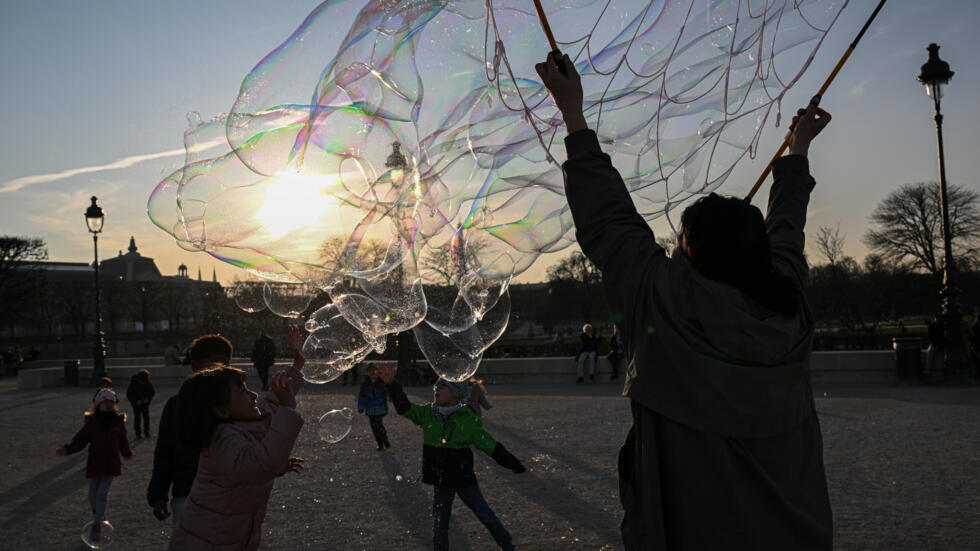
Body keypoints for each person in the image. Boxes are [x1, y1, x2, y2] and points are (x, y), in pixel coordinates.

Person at [537, 54, 834, 549]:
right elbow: (785, 234)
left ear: (689, 257)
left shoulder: (666, 305)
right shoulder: (789, 307)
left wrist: (572, 112)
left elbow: (609, 220)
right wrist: (797, 149)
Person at [169, 327, 305, 551]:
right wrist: (288, 407)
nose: (252, 395)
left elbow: (270, 404)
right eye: (242, 391)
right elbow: (262, 464)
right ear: (221, 410)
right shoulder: (222, 440)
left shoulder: (237, 423)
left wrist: (297, 364)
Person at [378, 365, 525, 551]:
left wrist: (514, 464)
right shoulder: (427, 414)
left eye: (443, 386)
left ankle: (508, 546)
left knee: (485, 515)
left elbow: (491, 446)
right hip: (442, 479)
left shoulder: (467, 419)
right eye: (436, 386)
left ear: (456, 393)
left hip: (464, 479)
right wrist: (392, 385)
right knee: (440, 522)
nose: (436, 389)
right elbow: (404, 407)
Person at [147, 334, 233, 535]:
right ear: (195, 366)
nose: (221, 372)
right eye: (214, 366)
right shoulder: (178, 406)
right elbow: (165, 452)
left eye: (226, 365)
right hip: (192, 493)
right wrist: (158, 494)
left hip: (213, 492)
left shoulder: (235, 404)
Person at [55, 389, 134, 544]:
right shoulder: (92, 423)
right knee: (92, 495)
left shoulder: (118, 422)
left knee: (102, 494)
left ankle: (97, 524)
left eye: (111, 402)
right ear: (98, 405)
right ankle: (98, 516)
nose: (109, 405)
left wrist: (126, 453)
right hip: (95, 462)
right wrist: (67, 449)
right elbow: (80, 440)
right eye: (105, 402)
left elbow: (123, 440)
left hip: (111, 463)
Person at [357, 364, 391, 451]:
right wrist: (361, 407)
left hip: (380, 409)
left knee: (379, 426)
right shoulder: (365, 385)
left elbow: (387, 393)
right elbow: (362, 397)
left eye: (374, 371)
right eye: (370, 371)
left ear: (377, 372)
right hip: (370, 410)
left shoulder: (381, 383)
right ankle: (380, 443)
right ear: (367, 373)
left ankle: (385, 440)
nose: (372, 373)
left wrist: (389, 397)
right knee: (374, 428)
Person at [126, 369, 156, 439]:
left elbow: (152, 392)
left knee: (146, 418)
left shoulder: (148, 383)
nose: (142, 383)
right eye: (141, 381)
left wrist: (147, 399)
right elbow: (129, 395)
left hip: (145, 404)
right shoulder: (133, 384)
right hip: (136, 404)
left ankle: (146, 432)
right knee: (137, 418)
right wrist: (136, 401)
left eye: (144, 381)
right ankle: (138, 433)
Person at [926, 314, 945, 382]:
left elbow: (930, 337)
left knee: (929, 354)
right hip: (937, 345)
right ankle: (928, 372)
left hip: (938, 345)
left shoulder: (933, 325)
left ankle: (928, 372)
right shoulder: (942, 325)